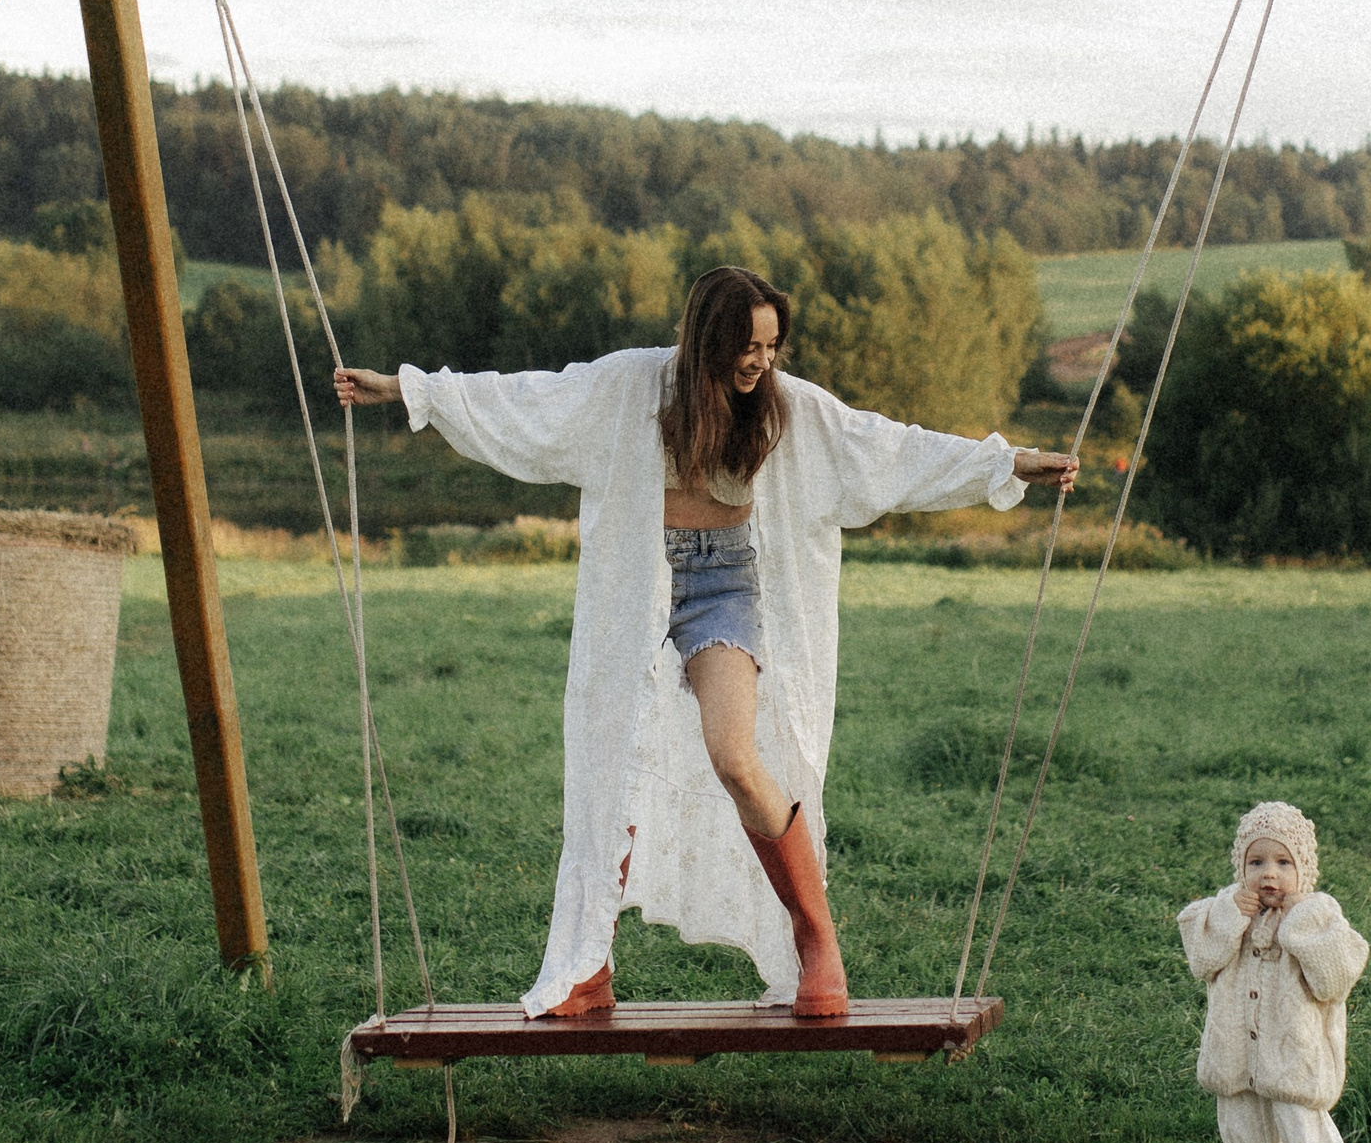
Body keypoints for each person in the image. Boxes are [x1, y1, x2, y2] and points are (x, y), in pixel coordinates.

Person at [335, 264, 1078, 1022]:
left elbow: (884, 448)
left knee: (735, 756)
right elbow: (526, 397)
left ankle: (814, 937)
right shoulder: (633, 387)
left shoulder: (787, 412)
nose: (761, 361)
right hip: (642, 580)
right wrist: (404, 388)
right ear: (707, 339)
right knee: (610, 755)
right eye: (747, 345)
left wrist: (1007, 463)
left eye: (772, 345)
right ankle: (588, 963)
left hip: (725, 587)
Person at [1177, 800, 1371, 1143]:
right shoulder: (1226, 910)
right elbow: (1202, 959)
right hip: (1236, 1055)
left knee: (1308, 1136)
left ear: (1303, 869)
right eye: (1256, 862)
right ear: (1241, 867)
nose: (1268, 873)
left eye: (1282, 862)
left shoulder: (1317, 914)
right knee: (1244, 1134)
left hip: (1294, 1058)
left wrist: (1300, 925)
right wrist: (1231, 913)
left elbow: (1334, 978)